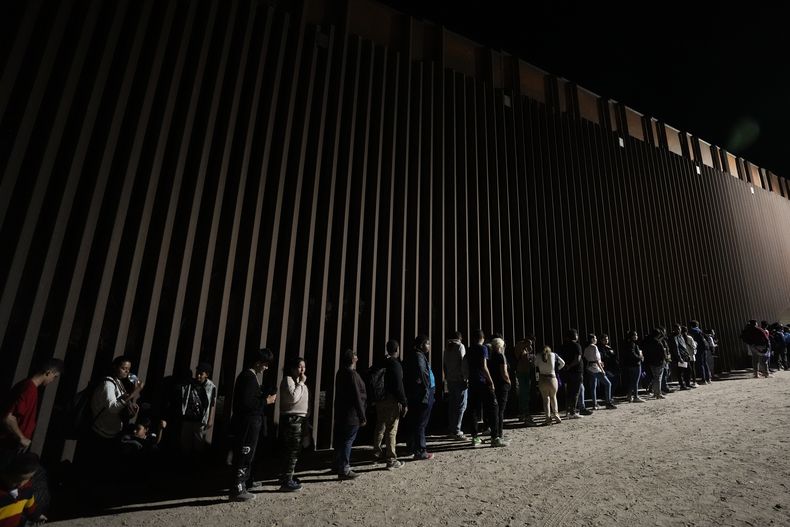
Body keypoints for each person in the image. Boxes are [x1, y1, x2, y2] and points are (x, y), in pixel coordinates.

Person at [229, 348, 276, 501]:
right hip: (247, 423)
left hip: (250, 422)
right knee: (244, 453)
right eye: (265, 364)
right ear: (258, 363)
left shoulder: (250, 376)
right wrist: (266, 401)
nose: (266, 367)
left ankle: (244, 483)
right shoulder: (248, 377)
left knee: (248, 454)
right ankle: (237, 488)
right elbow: (247, 403)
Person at [0, 359, 64, 465]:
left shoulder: (27, 386)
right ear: (48, 372)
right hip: (8, 445)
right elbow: (8, 417)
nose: (53, 380)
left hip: (12, 445)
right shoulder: (29, 390)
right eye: (55, 376)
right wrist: (22, 438)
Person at [373, 340, 408, 469]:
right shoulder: (395, 364)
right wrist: (404, 402)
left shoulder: (381, 362)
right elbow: (399, 386)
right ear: (397, 350)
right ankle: (391, 459)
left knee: (380, 425)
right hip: (391, 400)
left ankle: (377, 452)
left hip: (379, 399)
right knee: (391, 429)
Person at [334, 349, 367, 479]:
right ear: (353, 359)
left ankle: (338, 465)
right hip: (351, 414)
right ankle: (344, 469)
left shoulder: (340, 372)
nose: (357, 358)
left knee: (341, 440)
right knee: (348, 440)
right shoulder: (351, 374)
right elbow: (357, 396)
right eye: (355, 357)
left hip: (341, 412)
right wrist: (362, 415)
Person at [278, 356, 308, 492]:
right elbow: (293, 398)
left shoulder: (298, 382)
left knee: (295, 449)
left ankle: (288, 475)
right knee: (292, 450)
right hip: (292, 419)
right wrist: (301, 383)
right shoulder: (288, 380)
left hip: (300, 418)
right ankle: (287, 479)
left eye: (304, 367)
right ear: (292, 368)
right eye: (299, 366)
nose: (302, 369)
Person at [465, 329, 499, 447]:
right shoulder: (483, 348)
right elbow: (484, 366)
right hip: (483, 381)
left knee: (473, 410)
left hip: (472, 381)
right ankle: (495, 437)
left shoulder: (469, 349)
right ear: (483, 338)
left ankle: (475, 437)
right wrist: (491, 381)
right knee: (492, 408)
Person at [403, 335, 436, 459]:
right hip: (424, 394)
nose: (429, 346)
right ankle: (420, 450)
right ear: (422, 345)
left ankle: (412, 447)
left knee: (416, 421)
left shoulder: (415, 355)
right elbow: (423, 373)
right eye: (427, 343)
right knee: (421, 422)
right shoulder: (418, 356)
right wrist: (427, 389)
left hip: (419, 394)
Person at [179, 362, 217, 455]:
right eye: (197, 373)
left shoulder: (211, 386)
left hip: (200, 420)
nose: (198, 375)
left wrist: (210, 419)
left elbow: (212, 403)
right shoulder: (189, 383)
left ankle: (196, 461)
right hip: (188, 418)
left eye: (201, 374)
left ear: (207, 375)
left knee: (198, 443)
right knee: (185, 443)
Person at [0, 452, 47, 526]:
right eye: (16, 480)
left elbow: (30, 506)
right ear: (5, 475)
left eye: (26, 479)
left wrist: (37, 516)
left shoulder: (27, 489)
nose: (21, 484)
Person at [557, 329, 590, 418]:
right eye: (577, 335)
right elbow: (577, 359)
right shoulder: (576, 345)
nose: (577, 336)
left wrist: (566, 367)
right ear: (574, 336)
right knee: (575, 392)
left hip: (566, 372)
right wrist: (570, 366)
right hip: (576, 371)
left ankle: (567, 411)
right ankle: (573, 412)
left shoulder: (563, 346)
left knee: (569, 392)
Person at [443, 332, 467, 439]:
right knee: (461, 405)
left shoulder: (447, 349)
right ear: (460, 338)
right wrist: (465, 377)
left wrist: (447, 377)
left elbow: (444, 365)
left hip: (450, 380)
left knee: (452, 405)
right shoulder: (460, 347)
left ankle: (452, 429)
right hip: (460, 379)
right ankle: (457, 430)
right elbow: (463, 362)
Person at [583, 334, 617, 410]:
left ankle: (594, 404)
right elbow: (597, 360)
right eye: (595, 338)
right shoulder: (594, 347)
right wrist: (602, 370)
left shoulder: (586, 348)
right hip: (595, 368)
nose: (596, 339)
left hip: (589, 368)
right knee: (608, 384)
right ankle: (608, 402)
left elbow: (585, 357)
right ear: (592, 339)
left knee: (593, 386)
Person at [489, 338, 511, 445]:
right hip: (502, 384)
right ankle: (499, 434)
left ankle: (495, 433)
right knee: (501, 411)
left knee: (495, 410)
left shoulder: (490, 356)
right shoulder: (501, 356)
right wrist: (509, 381)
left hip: (493, 384)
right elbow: (504, 372)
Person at [535, 345, 564, 424]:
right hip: (552, 378)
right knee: (553, 397)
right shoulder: (554, 355)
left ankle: (548, 418)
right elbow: (563, 363)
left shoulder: (538, 356)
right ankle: (556, 415)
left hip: (543, 378)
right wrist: (556, 369)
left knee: (545, 399)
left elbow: (535, 364)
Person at [513, 336, 537, 426]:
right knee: (524, 393)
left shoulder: (525, 348)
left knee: (525, 393)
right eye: (530, 343)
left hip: (525, 371)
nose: (531, 345)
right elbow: (520, 356)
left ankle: (523, 412)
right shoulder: (520, 345)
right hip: (522, 372)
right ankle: (524, 413)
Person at [619, 330, 645, 402]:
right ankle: (636, 396)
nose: (637, 336)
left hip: (629, 365)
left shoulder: (627, 344)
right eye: (635, 335)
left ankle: (629, 396)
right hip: (635, 364)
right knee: (635, 381)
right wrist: (640, 358)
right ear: (632, 336)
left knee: (632, 381)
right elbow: (632, 354)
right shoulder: (632, 344)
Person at [642, 329, 666, 399]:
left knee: (655, 378)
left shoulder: (648, 342)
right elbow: (662, 352)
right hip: (659, 362)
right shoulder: (658, 342)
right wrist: (664, 360)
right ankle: (658, 393)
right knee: (658, 378)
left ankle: (655, 393)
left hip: (651, 362)